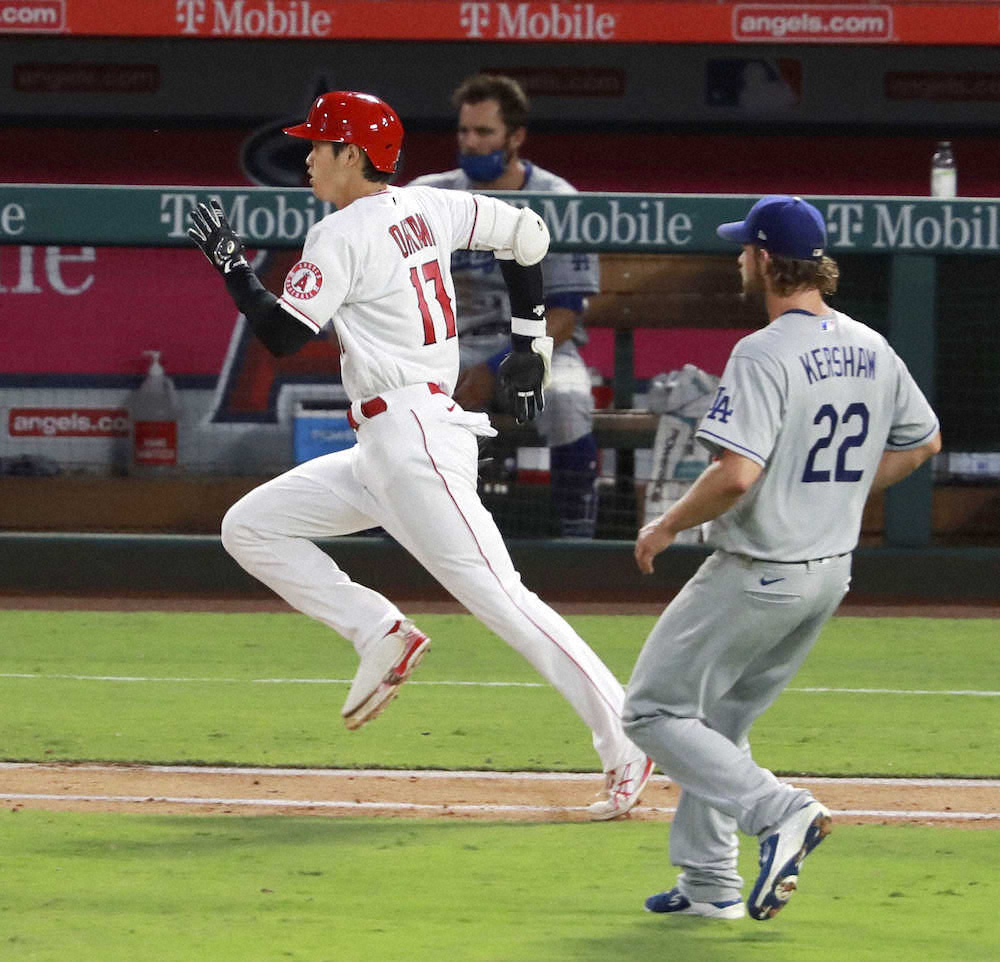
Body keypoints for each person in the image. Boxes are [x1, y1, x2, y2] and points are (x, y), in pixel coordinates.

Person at [186, 90, 651, 819]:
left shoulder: (341, 234)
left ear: (351, 155)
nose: (308, 157)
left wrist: (232, 269)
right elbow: (526, 235)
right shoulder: (429, 207)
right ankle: (379, 631)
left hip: (416, 445)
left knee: (504, 600)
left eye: (320, 145)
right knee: (250, 526)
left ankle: (626, 739)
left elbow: (280, 337)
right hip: (383, 446)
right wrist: (532, 341)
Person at [621, 196, 941, 919]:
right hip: (829, 571)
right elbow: (922, 443)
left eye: (744, 249)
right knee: (720, 720)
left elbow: (736, 474)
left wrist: (666, 525)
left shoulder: (762, 351)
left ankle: (780, 811)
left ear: (766, 259)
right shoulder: (871, 343)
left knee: (649, 711)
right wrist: (844, 496)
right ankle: (711, 885)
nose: (740, 258)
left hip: (760, 570)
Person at [408, 74, 601, 538]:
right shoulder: (428, 196)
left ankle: (579, 540)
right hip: (450, 346)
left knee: (570, 401)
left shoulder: (557, 201)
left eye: (484, 133)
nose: (470, 143)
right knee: (392, 396)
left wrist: (499, 366)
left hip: (537, 348)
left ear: (515, 137)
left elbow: (565, 314)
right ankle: (393, 535)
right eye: (463, 132)